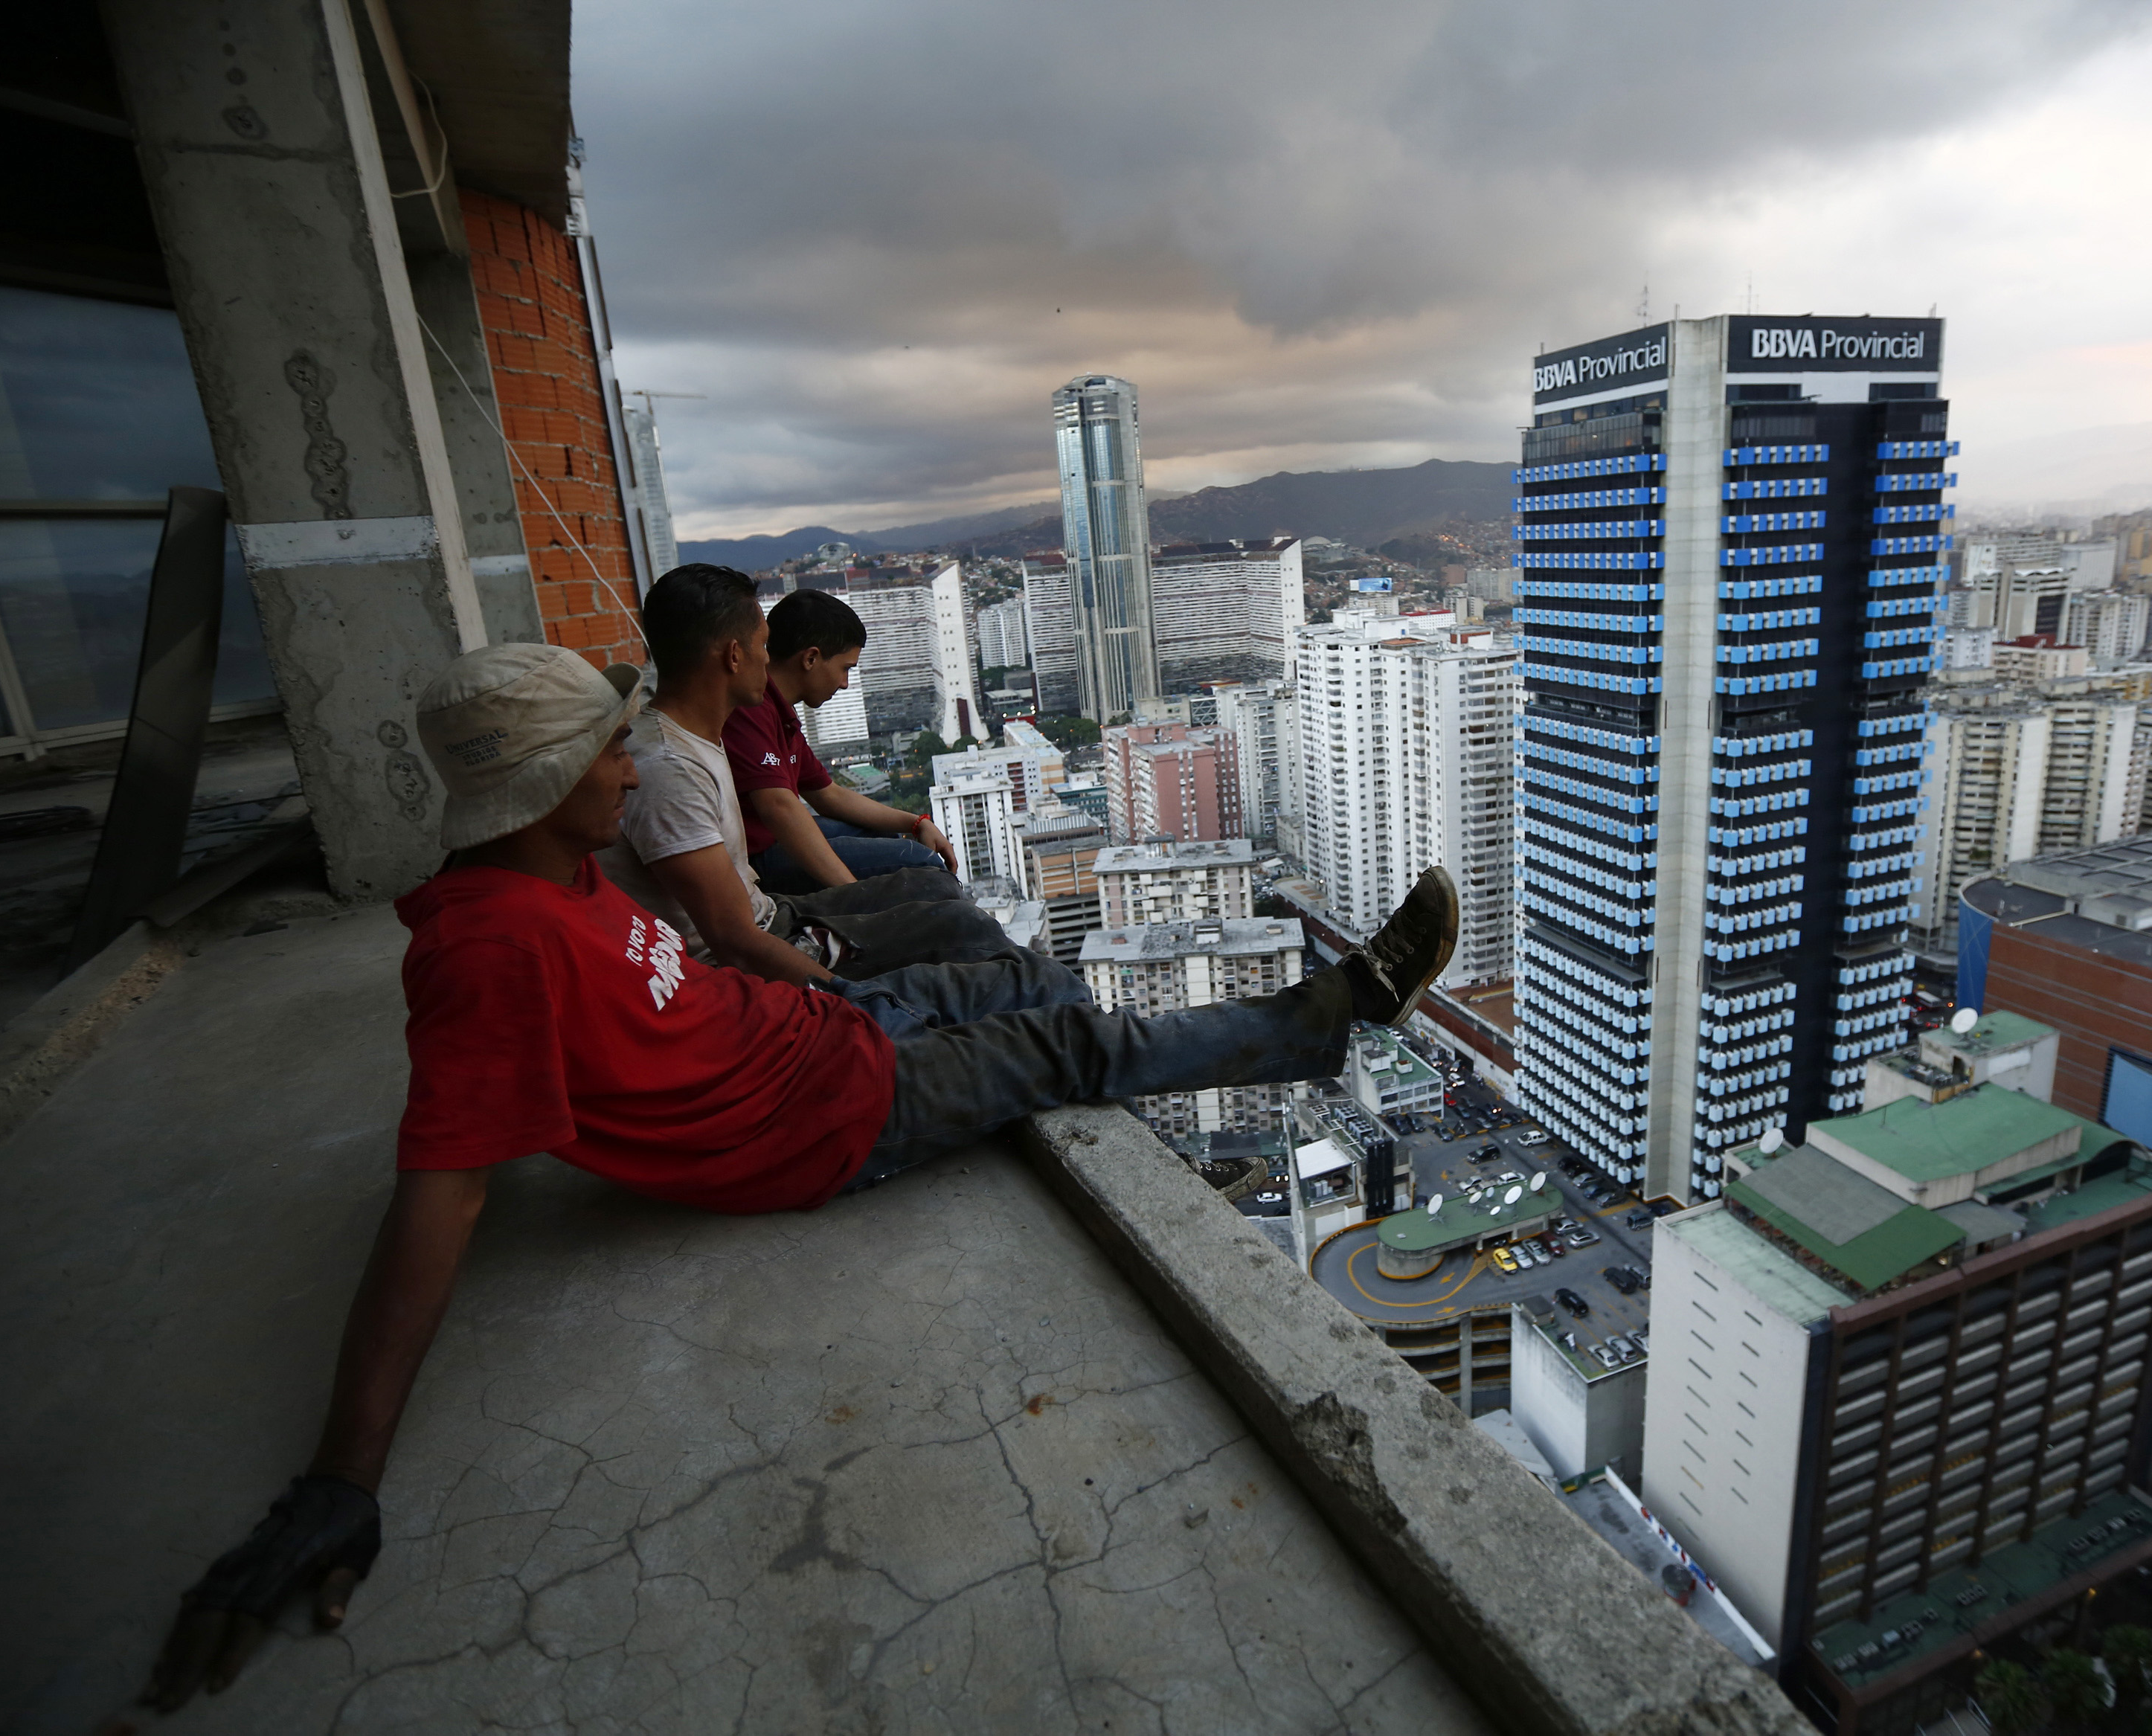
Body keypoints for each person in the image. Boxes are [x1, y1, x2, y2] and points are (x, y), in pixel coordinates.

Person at [138, 640, 1459, 1711]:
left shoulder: (560, 872)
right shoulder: (490, 952)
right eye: (607, 749)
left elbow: (684, 987)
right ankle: (1331, 1012)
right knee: (1071, 1034)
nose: (629, 765)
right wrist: (342, 1474)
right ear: (541, 784)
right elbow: (442, 1192)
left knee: (994, 973)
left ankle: (1100, 1060)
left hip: (824, 1034)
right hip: (826, 1119)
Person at [594, 564, 1030, 996]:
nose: (768, 658)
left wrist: (913, 823)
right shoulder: (673, 763)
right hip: (764, 929)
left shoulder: (704, 732)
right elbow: (738, 937)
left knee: (932, 886)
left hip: (770, 913)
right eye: (763, 644)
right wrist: (852, 952)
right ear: (733, 655)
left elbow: (825, 793)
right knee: (956, 919)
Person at [724, 586, 950, 891]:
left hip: (774, 843)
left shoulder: (780, 713)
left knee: (888, 839)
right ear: (811, 659)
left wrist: (915, 822)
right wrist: (853, 893)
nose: (844, 684)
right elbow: (779, 807)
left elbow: (828, 795)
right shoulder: (752, 709)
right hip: (756, 858)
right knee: (921, 863)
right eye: (845, 669)